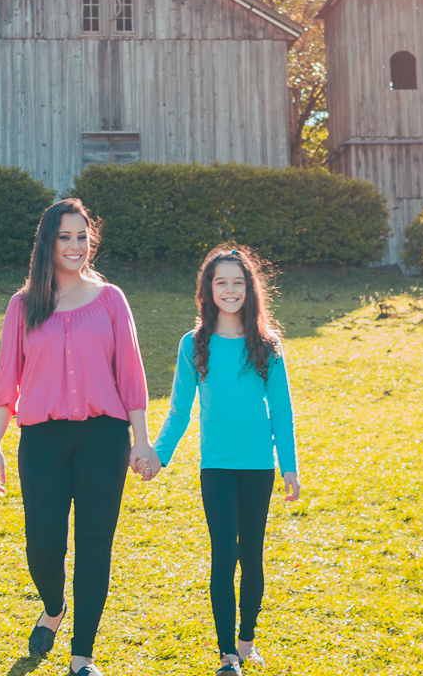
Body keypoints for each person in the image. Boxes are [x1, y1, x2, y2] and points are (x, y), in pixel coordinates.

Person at [0, 198, 157, 676]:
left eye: (82, 236)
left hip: (105, 436)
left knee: (95, 542)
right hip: (42, 439)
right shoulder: (23, 306)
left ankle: (83, 655)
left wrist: (141, 441)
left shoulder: (111, 299)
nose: (76, 246)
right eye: (65, 236)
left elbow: (131, 375)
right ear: (47, 242)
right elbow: (6, 381)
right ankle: (54, 606)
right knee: (43, 544)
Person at [139, 245, 300, 675]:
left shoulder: (267, 345)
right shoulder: (193, 345)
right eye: (220, 282)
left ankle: (247, 640)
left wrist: (289, 466)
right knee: (222, 555)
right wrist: (159, 455)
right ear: (207, 290)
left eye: (238, 282)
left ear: (250, 289)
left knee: (252, 554)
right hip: (216, 467)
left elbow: (281, 411)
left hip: (258, 467)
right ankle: (227, 652)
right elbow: (179, 409)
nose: (230, 290)